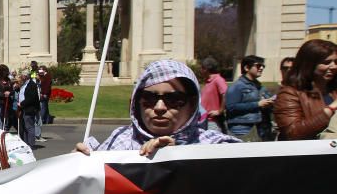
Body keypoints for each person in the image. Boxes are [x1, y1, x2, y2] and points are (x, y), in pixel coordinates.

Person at [77, 59, 239, 157]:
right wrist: (76, 165)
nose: (160, 107)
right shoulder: (117, 142)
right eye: (149, 98)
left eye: (174, 99)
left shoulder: (216, 147)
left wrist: (177, 159)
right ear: (135, 104)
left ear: (192, 106)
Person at [274, 39, 337, 141]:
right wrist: (331, 109)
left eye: (336, 62)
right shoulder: (289, 93)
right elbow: (292, 132)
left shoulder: (334, 90)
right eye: (326, 62)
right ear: (309, 64)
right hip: (307, 154)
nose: (334, 66)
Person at [225, 55, 274, 141]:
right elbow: (231, 107)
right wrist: (257, 104)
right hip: (242, 129)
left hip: (262, 129)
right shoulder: (237, 86)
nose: (261, 68)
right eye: (258, 66)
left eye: (263, 66)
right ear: (247, 68)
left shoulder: (260, 86)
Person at [199, 56, 228, 133]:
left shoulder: (218, 80)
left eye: (201, 68)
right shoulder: (208, 82)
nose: (200, 71)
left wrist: (219, 111)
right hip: (204, 121)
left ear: (205, 69)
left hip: (213, 122)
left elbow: (226, 94)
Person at [16, 71, 40, 149]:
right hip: (23, 108)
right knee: (24, 127)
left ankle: (31, 144)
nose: (21, 77)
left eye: (22, 76)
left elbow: (31, 98)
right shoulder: (24, 84)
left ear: (26, 76)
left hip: (29, 108)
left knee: (29, 127)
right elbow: (21, 93)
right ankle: (26, 143)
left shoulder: (32, 85)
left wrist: (22, 103)